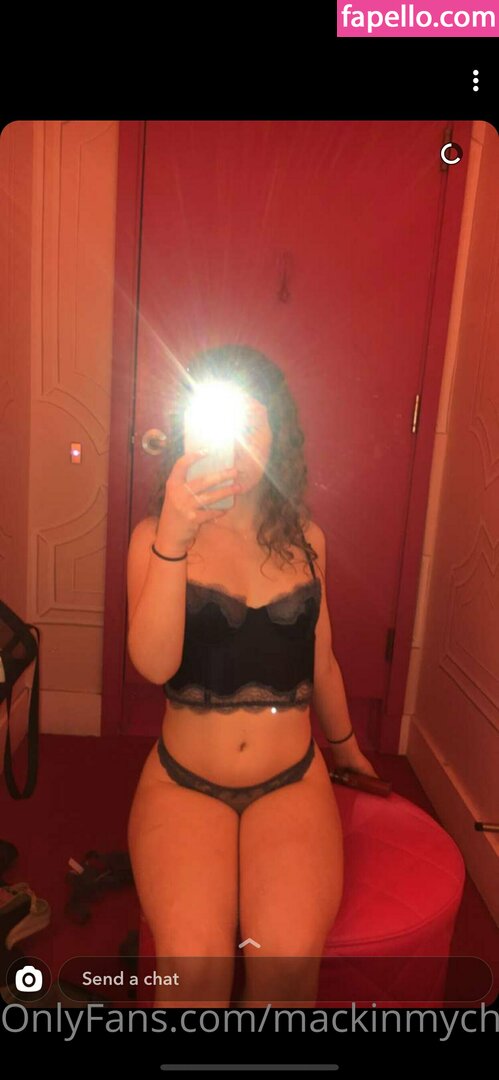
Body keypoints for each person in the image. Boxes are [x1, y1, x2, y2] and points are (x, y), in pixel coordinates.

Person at [126, 345, 378, 1008]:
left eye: (251, 426)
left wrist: (347, 750)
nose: (234, 450)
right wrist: (173, 538)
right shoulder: (153, 536)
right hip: (184, 784)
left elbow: (320, 659)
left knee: (286, 969)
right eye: (218, 425)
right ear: (188, 432)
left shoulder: (306, 539)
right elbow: (153, 664)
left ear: (276, 436)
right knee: (194, 973)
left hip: (290, 781)